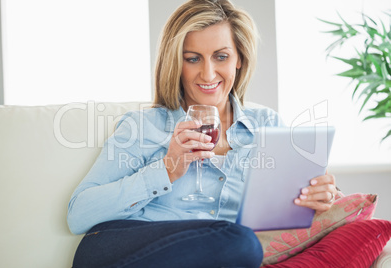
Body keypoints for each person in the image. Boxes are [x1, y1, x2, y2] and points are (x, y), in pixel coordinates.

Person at [67, 0, 338, 267]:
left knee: (240, 245)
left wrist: (321, 197)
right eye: (193, 59)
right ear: (176, 63)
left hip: (223, 254)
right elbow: (78, 214)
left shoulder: (267, 126)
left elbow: (288, 210)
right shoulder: (143, 126)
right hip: (120, 249)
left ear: (239, 59)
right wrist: (167, 169)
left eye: (221, 56)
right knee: (241, 243)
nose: (208, 74)